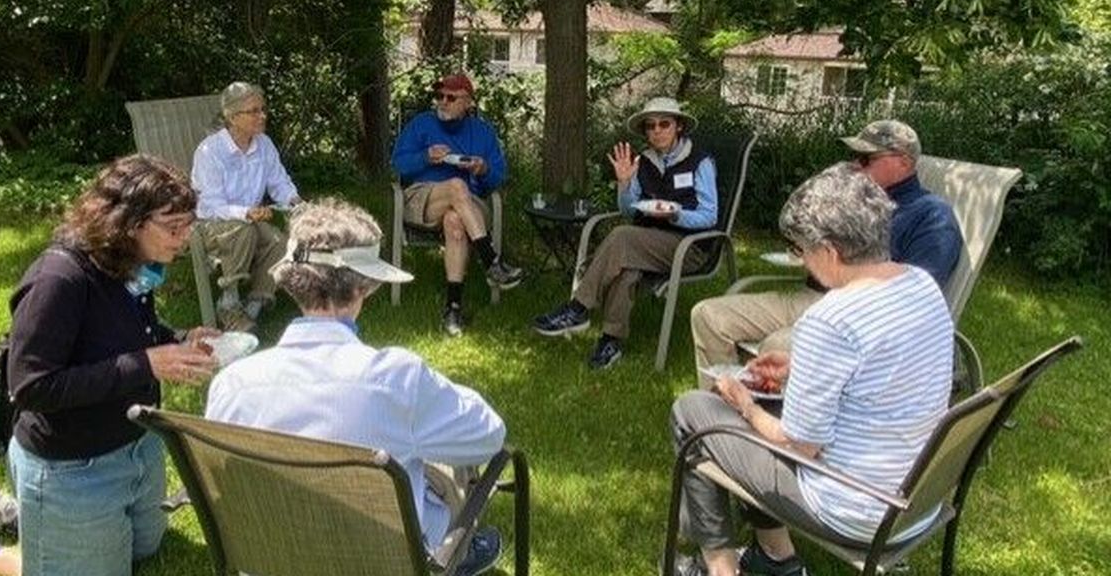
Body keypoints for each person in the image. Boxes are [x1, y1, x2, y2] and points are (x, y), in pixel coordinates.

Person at [0, 155, 219, 576]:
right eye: (173, 227)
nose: (184, 237)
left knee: (144, 549)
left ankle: (16, 512)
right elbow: (31, 387)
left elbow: (130, 329)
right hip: (73, 464)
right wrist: (145, 364)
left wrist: (178, 339)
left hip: (138, 444)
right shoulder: (60, 278)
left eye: (189, 225)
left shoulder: (130, 260)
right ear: (128, 221)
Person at [668, 164, 954, 576]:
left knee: (693, 413)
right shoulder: (920, 285)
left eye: (803, 250)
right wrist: (798, 366)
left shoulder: (832, 317)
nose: (803, 259)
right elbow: (883, 366)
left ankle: (722, 569)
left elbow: (798, 446)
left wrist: (745, 405)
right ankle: (774, 560)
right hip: (916, 499)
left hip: (856, 509)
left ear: (831, 251)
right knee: (762, 416)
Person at [205, 197, 507, 576]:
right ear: (363, 287)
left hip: (273, 560)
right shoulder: (397, 378)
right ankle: (459, 555)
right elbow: (489, 435)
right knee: (439, 454)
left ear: (293, 283)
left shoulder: (230, 385)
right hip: (383, 562)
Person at [689, 119, 962, 384]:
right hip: (811, 295)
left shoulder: (931, 215)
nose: (855, 165)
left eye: (866, 158)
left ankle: (770, 418)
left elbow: (916, 291)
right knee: (709, 316)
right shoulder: (850, 200)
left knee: (777, 346)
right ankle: (722, 408)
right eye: (854, 156)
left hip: (858, 315)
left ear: (903, 162)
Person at [532, 96, 718, 369]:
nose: (657, 131)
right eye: (650, 126)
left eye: (664, 124)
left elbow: (709, 215)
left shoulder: (699, 162)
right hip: (647, 243)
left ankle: (578, 308)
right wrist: (625, 183)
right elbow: (631, 211)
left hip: (689, 246)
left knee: (621, 236)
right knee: (626, 267)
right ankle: (611, 341)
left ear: (678, 126)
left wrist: (675, 214)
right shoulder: (643, 161)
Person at [391, 73, 522, 336]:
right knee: (456, 186)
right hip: (424, 198)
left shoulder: (483, 132)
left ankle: (453, 308)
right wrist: (425, 156)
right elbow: (398, 164)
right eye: (439, 96)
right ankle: (491, 261)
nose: (443, 102)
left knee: (455, 221)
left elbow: (496, 178)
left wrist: (482, 168)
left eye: (451, 97)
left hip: (471, 204)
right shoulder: (421, 124)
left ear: (468, 103)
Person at [192, 81, 302, 332]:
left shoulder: (263, 144)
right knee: (246, 231)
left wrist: (296, 203)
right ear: (232, 116)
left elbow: (279, 183)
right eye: (254, 111)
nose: (262, 116)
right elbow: (209, 205)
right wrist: (246, 212)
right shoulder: (210, 151)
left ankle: (253, 306)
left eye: (263, 109)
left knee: (281, 242)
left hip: (250, 221)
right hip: (213, 224)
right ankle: (228, 303)